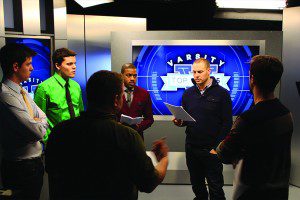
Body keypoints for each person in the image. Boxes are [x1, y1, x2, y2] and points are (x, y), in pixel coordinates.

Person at [45, 70, 169, 200]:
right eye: (121, 95)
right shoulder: (128, 137)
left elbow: (51, 169)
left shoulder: (60, 131)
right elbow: (148, 183)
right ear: (116, 99)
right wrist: (164, 159)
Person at [215, 55, 293, 200]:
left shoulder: (247, 119)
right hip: (280, 192)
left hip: (251, 193)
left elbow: (223, 153)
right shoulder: (286, 114)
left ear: (252, 78)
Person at [173, 58, 232, 200]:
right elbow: (186, 120)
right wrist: (179, 122)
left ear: (208, 71)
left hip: (211, 149)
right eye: (194, 72)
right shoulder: (188, 94)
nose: (196, 75)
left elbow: (227, 123)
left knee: (216, 189)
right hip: (192, 148)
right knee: (197, 187)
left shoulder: (222, 94)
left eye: (200, 72)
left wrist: (216, 148)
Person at [0, 43, 48, 199]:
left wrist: (37, 121)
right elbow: (37, 131)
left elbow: (42, 117)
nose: (32, 68)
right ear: (15, 66)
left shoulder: (22, 91)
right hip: (19, 168)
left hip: (34, 164)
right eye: (28, 64)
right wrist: (37, 122)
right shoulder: (5, 95)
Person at [34, 48, 84, 142]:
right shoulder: (44, 88)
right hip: (56, 142)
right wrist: (47, 142)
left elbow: (81, 113)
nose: (74, 67)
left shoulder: (76, 86)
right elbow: (38, 120)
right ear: (57, 65)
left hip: (77, 139)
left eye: (74, 63)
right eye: (69, 64)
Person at [119, 63, 154, 139]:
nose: (132, 78)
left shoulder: (144, 93)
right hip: (118, 137)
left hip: (136, 137)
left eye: (134, 76)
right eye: (129, 75)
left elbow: (149, 119)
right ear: (121, 76)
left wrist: (138, 127)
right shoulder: (115, 92)